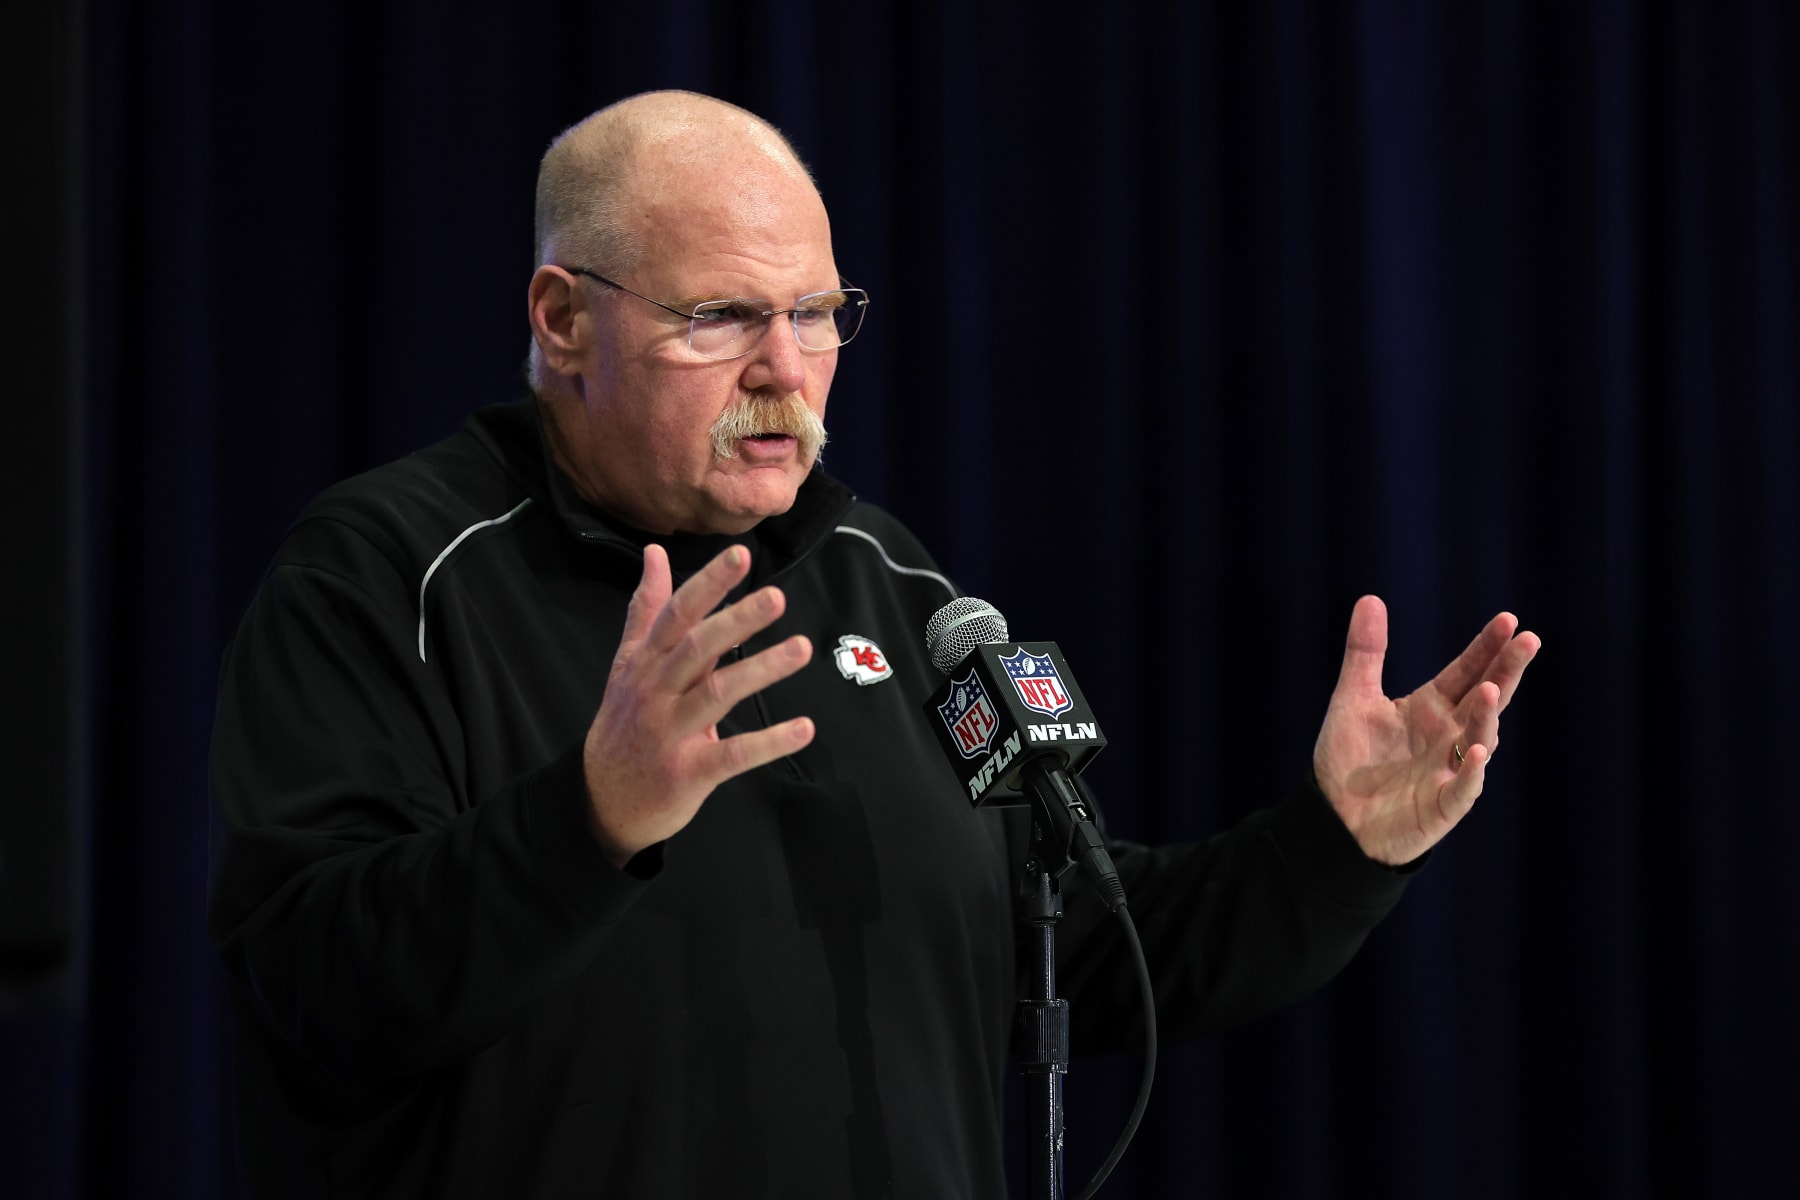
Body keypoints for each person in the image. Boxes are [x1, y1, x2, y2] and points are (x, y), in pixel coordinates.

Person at [208, 91, 1539, 1198]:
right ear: (563, 321)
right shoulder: (394, 574)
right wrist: (588, 820)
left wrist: (1337, 847)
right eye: (718, 319)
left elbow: (1071, 944)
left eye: (818, 312)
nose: (787, 368)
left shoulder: (894, 586)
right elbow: (310, 993)